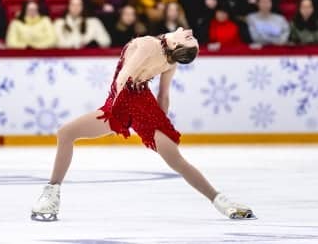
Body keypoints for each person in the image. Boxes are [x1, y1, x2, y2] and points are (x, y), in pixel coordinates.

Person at [30, 27, 257, 221]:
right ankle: (222, 202)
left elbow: (124, 78)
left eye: (189, 38)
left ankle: (51, 194)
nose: (190, 32)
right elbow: (162, 97)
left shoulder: (151, 45)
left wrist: (149, 124)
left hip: (128, 102)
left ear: (176, 45)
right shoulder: (169, 59)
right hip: (133, 104)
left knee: (175, 159)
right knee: (66, 133)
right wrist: (155, 122)